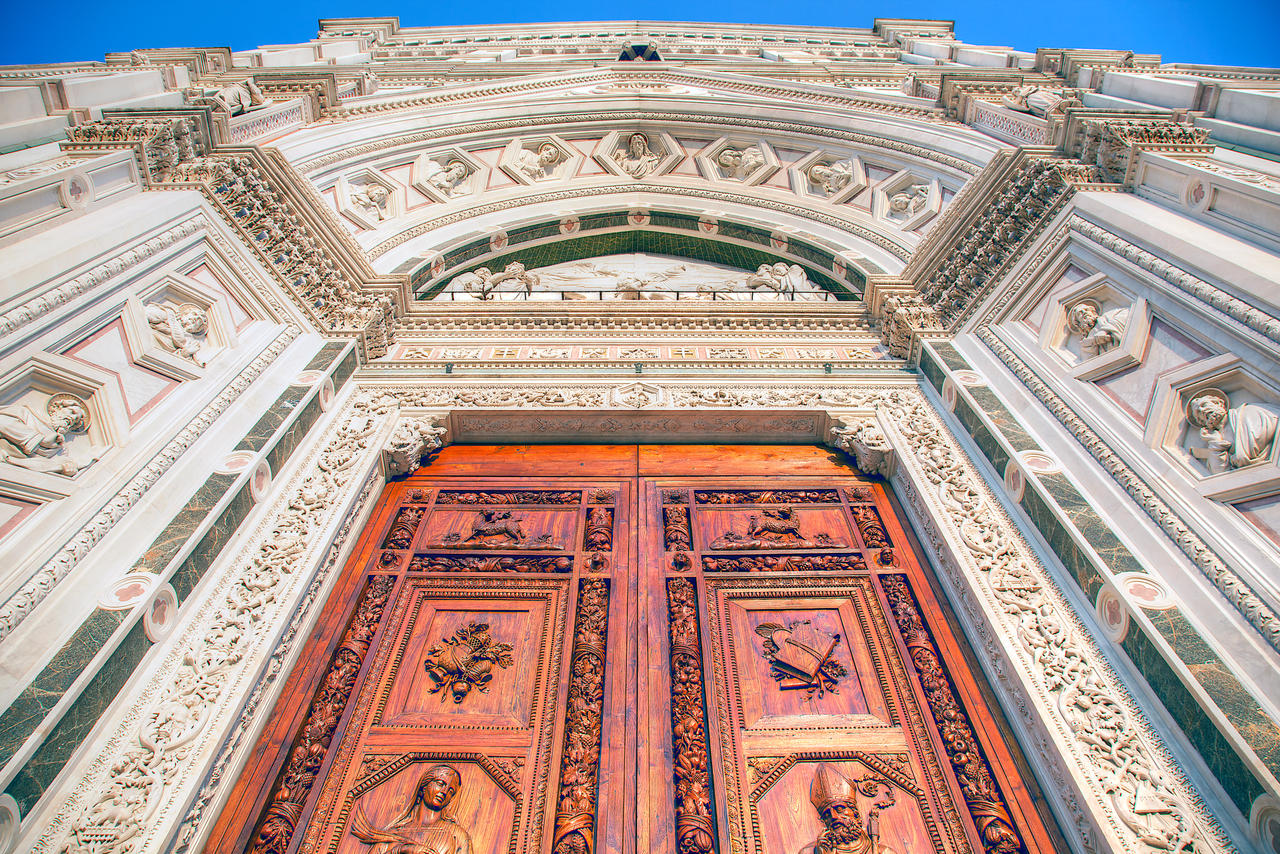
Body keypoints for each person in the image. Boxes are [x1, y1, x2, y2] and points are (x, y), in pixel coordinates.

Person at [351, 764, 473, 854]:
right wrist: (402, 850)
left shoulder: (456, 835)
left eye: (451, 791)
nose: (444, 792)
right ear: (424, 786)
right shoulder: (395, 833)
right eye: (440, 783)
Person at [799, 763, 898, 854]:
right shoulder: (809, 852)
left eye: (839, 809)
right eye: (827, 815)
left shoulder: (884, 852)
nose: (834, 817)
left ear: (855, 813)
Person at [0, 394, 96, 476]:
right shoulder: (26, 413)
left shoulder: (60, 446)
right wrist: (38, 440)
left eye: (76, 420)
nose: (72, 418)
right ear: (57, 408)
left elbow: (54, 463)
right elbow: (2, 421)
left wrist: (67, 468)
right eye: (72, 412)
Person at [1187, 389, 1279, 472]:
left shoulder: (1249, 412)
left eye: (1204, 405)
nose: (1202, 410)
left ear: (1219, 403)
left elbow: (1270, 423)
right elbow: (1220, 474)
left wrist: (1236, 458)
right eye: (1198, 412)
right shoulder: (1216, 439)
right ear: (1202, 422)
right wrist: (1216, 444)